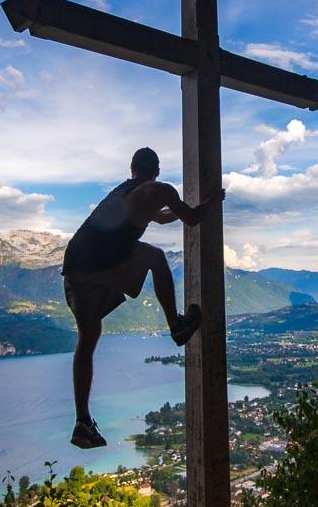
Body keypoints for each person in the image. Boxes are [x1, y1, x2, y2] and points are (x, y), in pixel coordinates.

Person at [62, 146, 225, 449]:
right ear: (158, 170)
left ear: (133, 169)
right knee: (156, 257)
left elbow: (162, 219)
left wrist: (177, 211)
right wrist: (212, 202)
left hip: (74, 268)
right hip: (100, 265)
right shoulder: (161, 189)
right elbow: (191, 218)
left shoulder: (123, 191)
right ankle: (176, 325)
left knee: (88, 336)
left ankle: (82, 421)